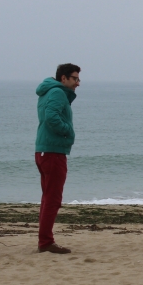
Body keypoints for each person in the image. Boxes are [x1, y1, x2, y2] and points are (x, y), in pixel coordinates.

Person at [34, 63, 81, 254]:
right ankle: (46, 242)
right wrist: (68, 131)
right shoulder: (57, 92)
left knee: (48, 197)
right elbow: (51, 117)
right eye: (75, 78)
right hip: (52, 152)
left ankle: (44, 240)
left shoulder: (50, 91)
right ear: (64, 78)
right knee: (53, 199)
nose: (78, 83)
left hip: (45, 150)